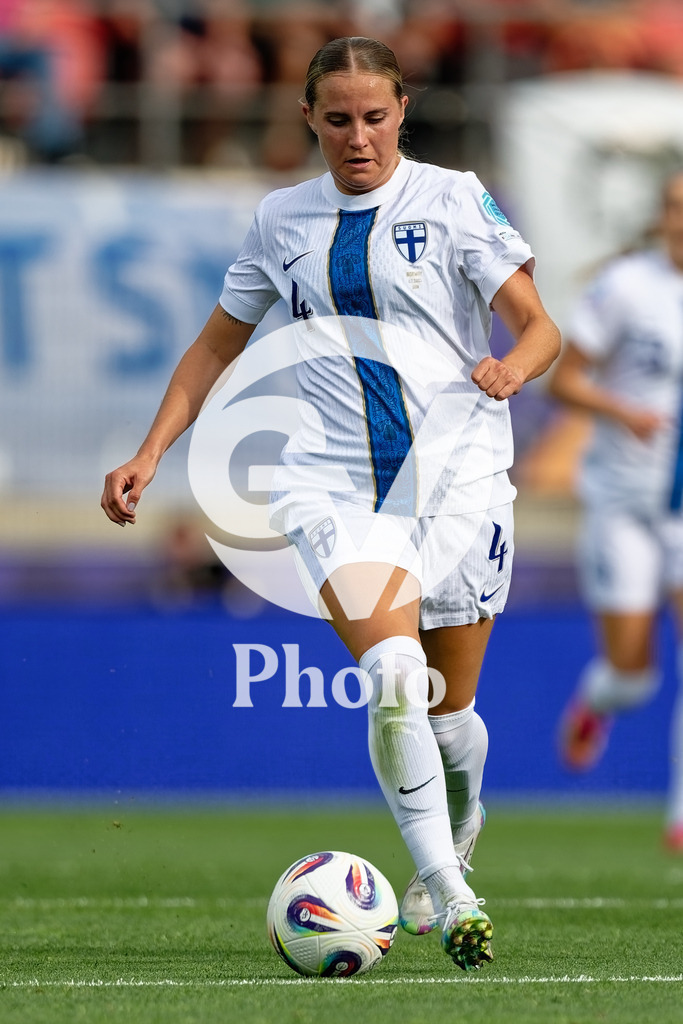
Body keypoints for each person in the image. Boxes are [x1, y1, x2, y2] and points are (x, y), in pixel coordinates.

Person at [101, 35, 560, 970]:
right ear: (308, 118)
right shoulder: (281, 219)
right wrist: (151, 450)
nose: (359, 137)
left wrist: (511, 366)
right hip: (334, 486)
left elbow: (540, 325)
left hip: (459, 481)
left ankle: (462, 825)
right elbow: (214, 347)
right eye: (339, 119)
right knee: (394, 676)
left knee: (445, 711)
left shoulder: (450, 196)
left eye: (376, 117)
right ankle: (450, 887)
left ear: (402, 113)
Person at [551, 170, 683, 852]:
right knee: (633, 677)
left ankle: (678, 818)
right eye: (672, 208)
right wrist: (622, 411)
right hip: (623, 499)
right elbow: (564, 379)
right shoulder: (626, 287)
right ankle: (596, 702)